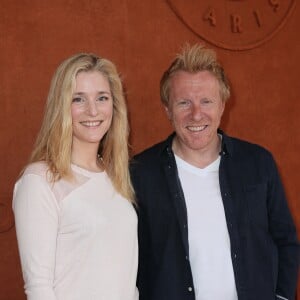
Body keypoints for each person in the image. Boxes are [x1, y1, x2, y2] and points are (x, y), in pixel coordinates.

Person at [130, 44, 299, 300]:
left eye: (206, 101)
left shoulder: (258, 163)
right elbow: (128, 258)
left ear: (222, 106)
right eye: (184, 103)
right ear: (167, 110)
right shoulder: (140, 174)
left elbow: (286, 241)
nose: (196, 114)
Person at [13, 53, 139, 300]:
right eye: (78, 99)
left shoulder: (116, 177)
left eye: (102, 98)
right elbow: (39, 288)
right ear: (61, 107)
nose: (93, 110)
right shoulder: (40, 181)